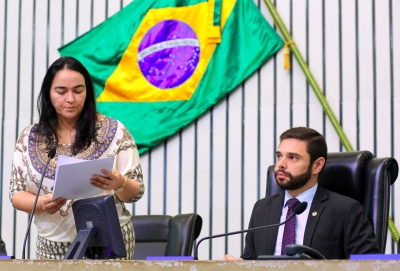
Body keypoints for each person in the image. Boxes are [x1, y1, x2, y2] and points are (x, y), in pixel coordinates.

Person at [9, 56, 145, 260]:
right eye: (61, 92)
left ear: (88, 92)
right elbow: (16, 193)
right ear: (48, 94)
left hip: (108, 245)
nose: (70, 99)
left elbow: (136, 192)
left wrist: (120, 183)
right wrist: (42, 204)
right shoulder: (31, 137)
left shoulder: (115, 131)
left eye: (78, 91)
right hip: (51, 247)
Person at [225, 127, 380, 260]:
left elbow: (370, 264)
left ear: (317, 165)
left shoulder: (345, 210)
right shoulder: (262, 209)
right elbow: (251, 261)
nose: (281, 164)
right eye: (279, 156)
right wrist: (238, 265)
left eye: (292, 157)